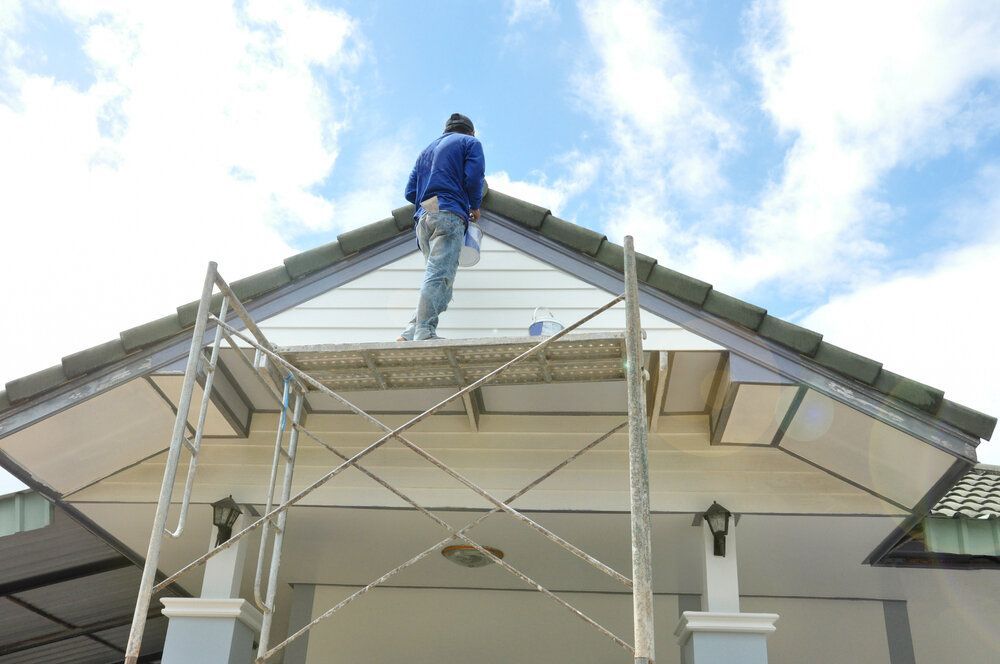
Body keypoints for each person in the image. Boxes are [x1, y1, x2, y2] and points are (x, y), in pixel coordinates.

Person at [398, 113, 486, 341]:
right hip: (448, 214)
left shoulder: (426, 152)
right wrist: (474, 205)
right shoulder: (470, 143)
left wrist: (430, 195)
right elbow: (474, 177)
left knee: (439, 281)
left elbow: (410, 192)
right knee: (439, 277)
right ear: (470, 131)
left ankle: (410, 331)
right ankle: (424, 332)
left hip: (424, 219)